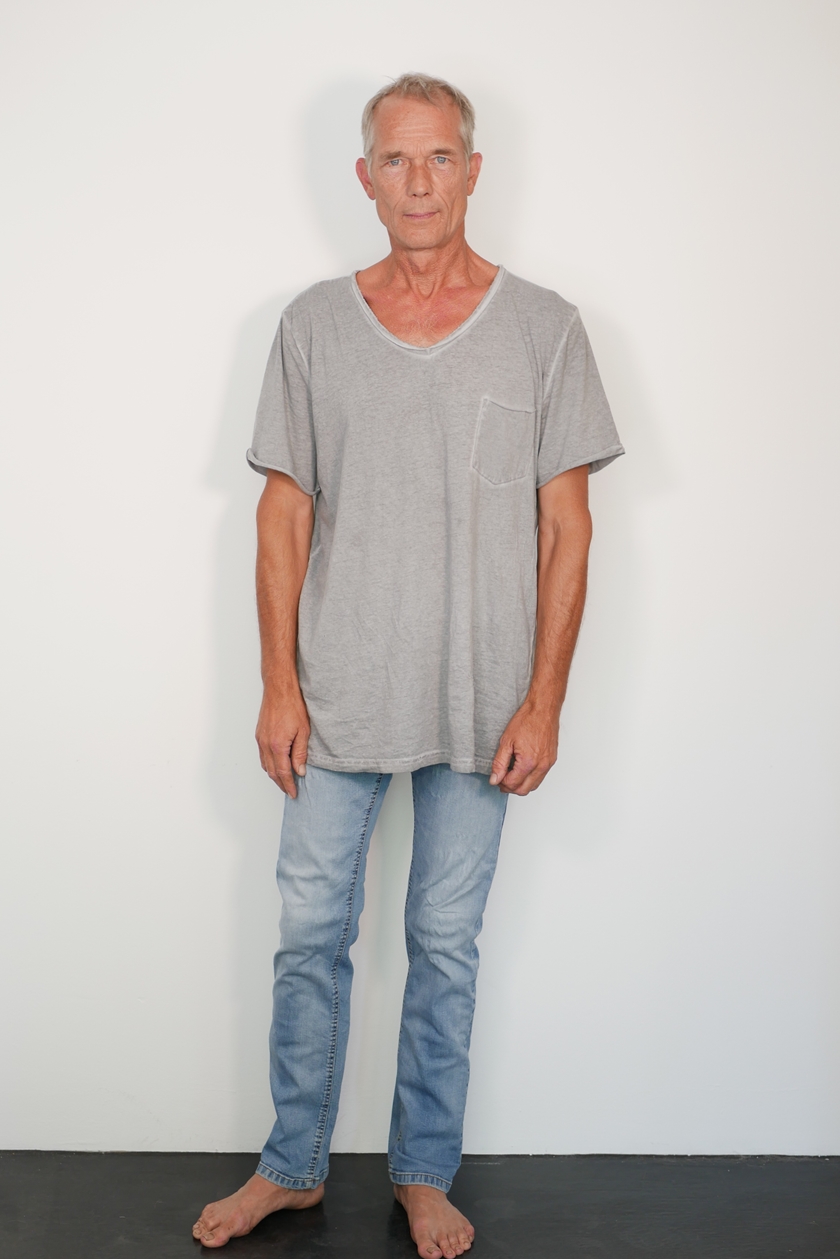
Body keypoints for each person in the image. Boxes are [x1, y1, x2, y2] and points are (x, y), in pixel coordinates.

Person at [193, 73, 623, 1259]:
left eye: (439, 158)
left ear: (474, 171)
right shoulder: (313, 327)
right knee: (308, 936)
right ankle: (290, 1166)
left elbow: (568, 529)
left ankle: (423, 1172)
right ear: (366, 177)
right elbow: (283, 518)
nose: (418, 181)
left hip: (483, 699)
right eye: (396, 159)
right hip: (336, 690)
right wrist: (278, 684)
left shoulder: (545, 328)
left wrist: (546, 702)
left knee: (443, 945)